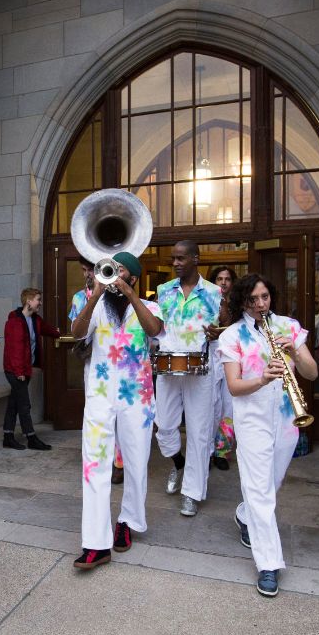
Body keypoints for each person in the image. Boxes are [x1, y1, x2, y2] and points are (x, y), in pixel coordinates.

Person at [218, 273, 317, 598]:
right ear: (242, 302)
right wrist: (261, 379)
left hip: (287, 419)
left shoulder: (288, 325)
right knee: (260, 492)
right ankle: (268, 564)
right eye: (253, 299)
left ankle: (244, 515)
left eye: (265, 297)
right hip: (252, 421)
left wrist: (297, 352)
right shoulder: (231, 336)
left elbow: (312, 372)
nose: (261, 304)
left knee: (268, 486)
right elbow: (234, 386)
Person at [70, 251, 163, 569]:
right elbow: (77, 331)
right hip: (99, 394)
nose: (113, 276)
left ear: (133, 278)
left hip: (137, 398)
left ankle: (129, 521)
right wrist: (96, 294)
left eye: (120, 272)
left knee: (136, 463)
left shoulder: (149, 306)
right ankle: (96, 543)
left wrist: (130, 296)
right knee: (93, 465)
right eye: (111, 270)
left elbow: (154, 330)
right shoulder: (97, 305)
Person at [155, 241, 223, 517]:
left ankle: (192, 493)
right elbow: (156, 327)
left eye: (181, 258)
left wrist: (218, 332)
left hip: (200, 368)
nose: (176, 263)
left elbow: (224, 326)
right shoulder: (163, 290)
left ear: (196, 258)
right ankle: (178, 464)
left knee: (199, 432)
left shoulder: (214, 292)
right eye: (174, 259)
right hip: (168, 366)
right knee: (164, 426)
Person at [68, 257, 126, 485]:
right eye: (83, 270)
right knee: (95, 410)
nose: (86, 275)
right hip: (93, 360)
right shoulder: (79, 298)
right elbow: (76, 329)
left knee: (120, 412)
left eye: (89, 270)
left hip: (117, 361)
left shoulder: (115, 293)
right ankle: (99, 456)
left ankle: (119, 462)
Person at [2, 288, 60, 450]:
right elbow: (15, 350)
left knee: (14, 403)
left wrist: (58, 334)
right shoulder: (15, 321)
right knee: (24, 405)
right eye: (38, 300)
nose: (40, 303)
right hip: (15, 371)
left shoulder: (35, 320)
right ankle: (31, 438)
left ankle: (8, 436)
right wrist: (19, 372)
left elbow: (46, 329)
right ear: (28, 301)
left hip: (24, 369)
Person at [208, 266, 238, 471]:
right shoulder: (206, 299)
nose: (224, 282)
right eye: (220, 278)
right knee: (209, 404)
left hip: (232, 355)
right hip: (210, 353)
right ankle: (206, 451)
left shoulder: (239, 304)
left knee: (228, 406)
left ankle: (222, 451)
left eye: (227, 279)